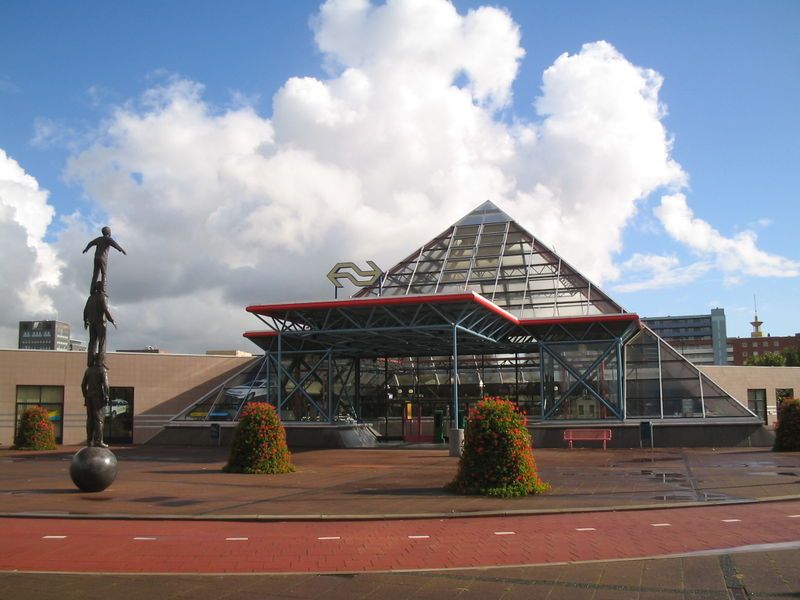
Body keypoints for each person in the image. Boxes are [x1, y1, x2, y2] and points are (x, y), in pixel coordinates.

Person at [82, 226, 126, 293]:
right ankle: (103, 289)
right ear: (109, 232)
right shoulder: (108, 239)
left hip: (96, 258)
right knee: (104, 273)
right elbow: (115, 244)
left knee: (95, 274)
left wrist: (86, 249)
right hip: (103, 258)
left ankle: (92, 290)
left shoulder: (99, 239)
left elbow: (91, 243)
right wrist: (121, 250)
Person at [84, 280, 115, 367]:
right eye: (104, 286)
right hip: (100, 323)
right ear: (101, 287)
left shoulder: (90, 298)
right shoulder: (102, 297)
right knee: (102, 342)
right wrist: (112, 320)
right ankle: (101, 361)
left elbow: (85, 310)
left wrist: (85, 321)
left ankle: (90, 361)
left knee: (92, 342)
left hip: (92, 323)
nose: (105, 287)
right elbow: (105, 310)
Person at [81, 354, 110, 448]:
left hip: (89, 397)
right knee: (99, 420)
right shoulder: (102, 370)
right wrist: (106, 396)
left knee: (90, 419)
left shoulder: (88, 370)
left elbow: (83, 385)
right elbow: (106, 385)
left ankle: (89, 441)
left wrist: (86, 396)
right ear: (101, 360)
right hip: (98, 397)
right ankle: (98, 441)